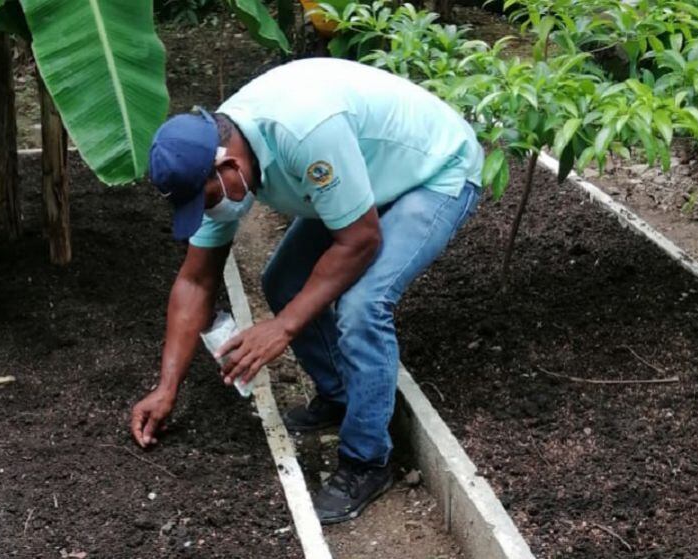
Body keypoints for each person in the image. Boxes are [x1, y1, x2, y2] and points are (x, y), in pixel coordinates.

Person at [130, 57, 483, 524]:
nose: (208, 214)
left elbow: (360, 241)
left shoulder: (304, 134)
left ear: (229, 165)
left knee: (363, 307)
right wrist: (166, 387)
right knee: (283, 281)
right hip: (368, 173)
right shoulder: (220, 153)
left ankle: (367, 460)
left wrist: (283, 327)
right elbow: (195, 280)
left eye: (208, 201)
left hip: (435, 170)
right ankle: (342, 397)